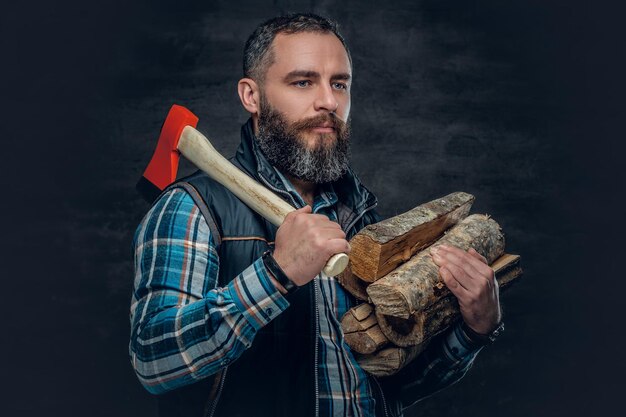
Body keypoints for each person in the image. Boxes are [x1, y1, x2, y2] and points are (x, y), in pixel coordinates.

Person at [130, 13, 503, 417]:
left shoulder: (360, 219)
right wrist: (276, 274)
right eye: (303, 82)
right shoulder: (193, 208)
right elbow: (154, 360)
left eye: (339, 84)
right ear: (251, 96)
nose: (329, 101)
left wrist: (473, 330)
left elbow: (388, 386)